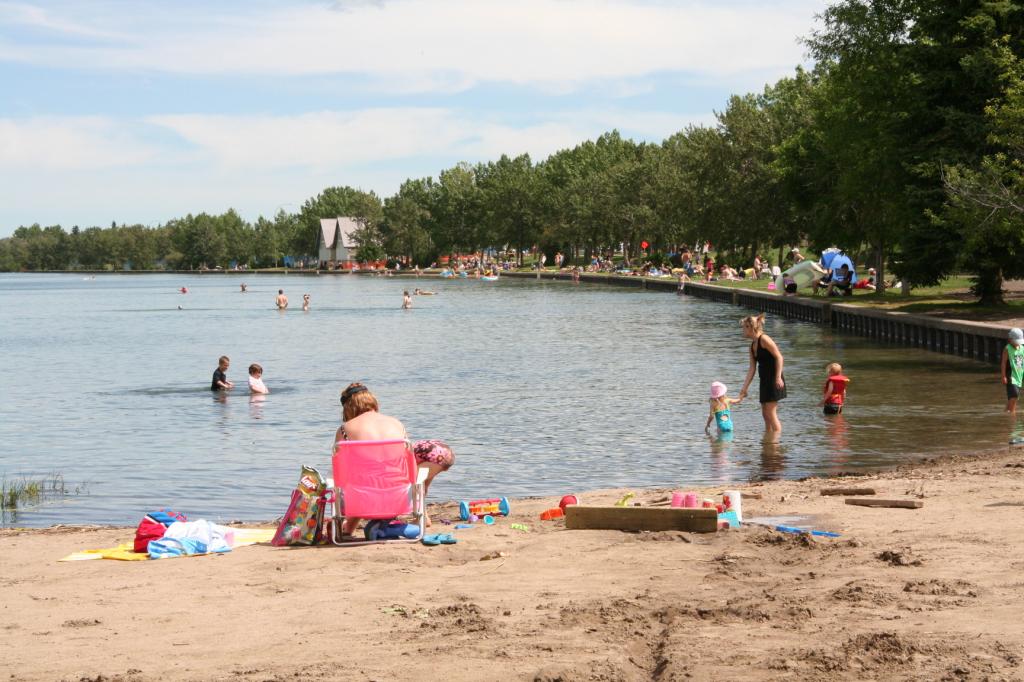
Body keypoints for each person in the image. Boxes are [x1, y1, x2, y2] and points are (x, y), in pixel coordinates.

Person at [334, 383, 409, 536]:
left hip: (361, 502)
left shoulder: (345, 429)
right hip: (400, 499)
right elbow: (409, 465)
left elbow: (339, 475)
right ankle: (385, 523)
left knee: (354, 479)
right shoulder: (397, 424)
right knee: (377, 476)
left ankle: (347, 529)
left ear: (348, 407)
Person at [738, 314, 785, 432]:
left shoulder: (764, 339)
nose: (742, 330)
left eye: (744, 327)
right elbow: (752, 369)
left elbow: (779, 357)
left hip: (774, 379)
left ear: (750, 327)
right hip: (764, 380)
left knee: (770, 413)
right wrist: (744, 388)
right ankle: (768, 441)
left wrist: (778, 377)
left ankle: (776, 444)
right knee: (765, 413)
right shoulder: (752, 345)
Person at [411, 440, 455, 527]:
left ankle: (422, 519)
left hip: (433, 456)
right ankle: (424, 517)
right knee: (423, 487)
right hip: (444, 452)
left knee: (415, 486)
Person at [1002, 328, 1024, 413]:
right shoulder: (1007, 349)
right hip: (1010, 375)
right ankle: (1012, 414)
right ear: (1010, 340)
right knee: (1014, 394)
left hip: (1019, 375)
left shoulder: (1022, 348)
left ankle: (1006, 413)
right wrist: (1003, 376)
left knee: (1014, 397)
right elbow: (1003, 363)